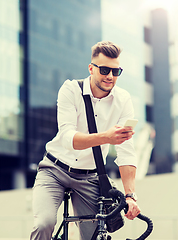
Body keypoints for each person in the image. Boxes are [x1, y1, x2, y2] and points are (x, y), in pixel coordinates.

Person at [30, 41, 141, 240]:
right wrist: (106, 137)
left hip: (90, 177)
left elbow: (127, 151)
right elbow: (67, 138)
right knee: (43, 224)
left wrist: (130, 196)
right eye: (105, 70)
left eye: (116, 72)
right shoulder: (70, 90)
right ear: (91, 68)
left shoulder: (123, 100)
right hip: (55, 170)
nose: (110, 76)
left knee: (95, 236)